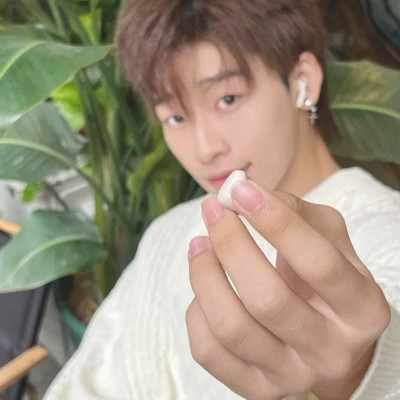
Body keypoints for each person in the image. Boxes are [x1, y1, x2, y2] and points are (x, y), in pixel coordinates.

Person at [44, 0, 400, 399]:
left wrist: (359, 374)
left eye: (228, 99)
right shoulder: (170, 233)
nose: (205, 148)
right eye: (175, 117)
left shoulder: (386, 231)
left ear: (302, 81)